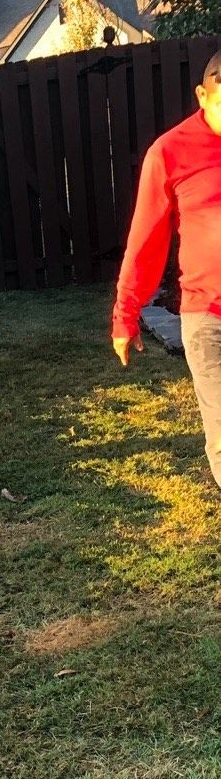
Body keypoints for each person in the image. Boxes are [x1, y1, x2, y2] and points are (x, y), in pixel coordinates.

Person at [113, 48, 221, 487]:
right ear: (202, 95)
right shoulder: (170, 152)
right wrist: (126, 313)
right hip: (208, 317)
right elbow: (145, 240)